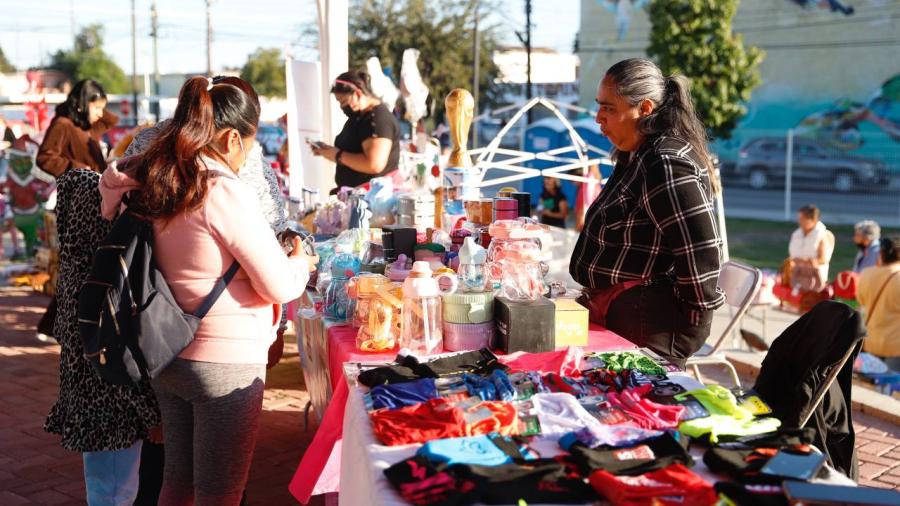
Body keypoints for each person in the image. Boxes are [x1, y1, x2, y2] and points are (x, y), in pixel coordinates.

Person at [100, 76, 316, 505]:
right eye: (251, 146)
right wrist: (301, 262)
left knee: (177, 483)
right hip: (225, 361)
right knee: (220, 492)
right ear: (233, 138)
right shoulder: (219, 189)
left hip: (168, 349)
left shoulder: (159, 177)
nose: (250, 156)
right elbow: (278, 284)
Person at [570, 58, 724, 368]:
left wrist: (690, 329)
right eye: (599, 106)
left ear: (645, 109)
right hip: (624, 316)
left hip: (647, 325)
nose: (599, 117)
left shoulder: (664, 162)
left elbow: (701, 251)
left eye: (609, 108)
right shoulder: (636, 156)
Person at [310, 70, 401, 189]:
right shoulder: (358, 116)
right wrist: (327, 151)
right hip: (356, 195)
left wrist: (338, 155)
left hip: (372, 200)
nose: (342, 106)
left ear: (358, 94)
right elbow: (351, 154)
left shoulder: (379, 120)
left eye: (343, 101)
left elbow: (374, 164)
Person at [37, 79, 118, 177]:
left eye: (102, 108)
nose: (100, 114)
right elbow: (44, 158)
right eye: (97, 108)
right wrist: (78, 169)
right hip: (77, 189)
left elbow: (111, 121)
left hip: (96, 188)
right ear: (81, 103)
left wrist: (95, 101)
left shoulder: (87, 124)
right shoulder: (63, 124)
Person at [857, 236, 900, 370]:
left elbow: (861, 301)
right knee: (892, 387)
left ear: (881, 253)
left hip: (871, 341)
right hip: (895, 345)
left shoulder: (866, 274)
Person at [788, 204, 834, 290]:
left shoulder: (823, 235)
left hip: (815, 280)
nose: (799, 221)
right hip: (797, 276)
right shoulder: (796, 234)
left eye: (803, 219)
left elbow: (823, 259)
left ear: (813, 220)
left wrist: (806, 261)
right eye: (799, 218)